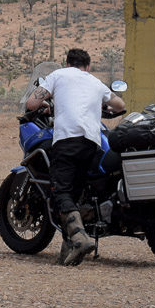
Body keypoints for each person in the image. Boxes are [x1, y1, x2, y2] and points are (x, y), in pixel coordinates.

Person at [26, 48, 125, 266]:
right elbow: (120, 105)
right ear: (87, 67)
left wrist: (44, 103)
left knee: (59, 190)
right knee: (76, 192)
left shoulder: (58, 75)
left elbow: (31, 104)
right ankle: (67, 250)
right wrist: (100, 105)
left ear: (67, 63)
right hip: (91, 142)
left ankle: (80, 238)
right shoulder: (95, 82)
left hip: (67, 139)